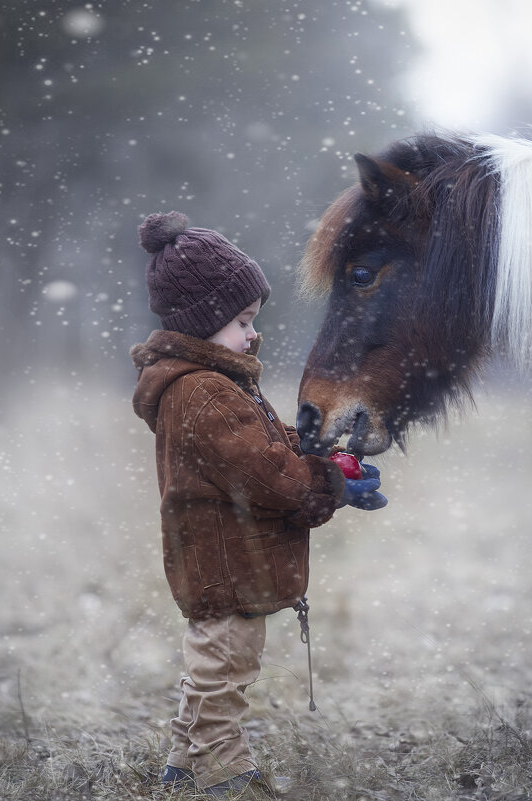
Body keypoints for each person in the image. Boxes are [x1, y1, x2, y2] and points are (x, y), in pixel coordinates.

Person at [130, 211, 386, 798]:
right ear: (203, 321)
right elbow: (271, 479)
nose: (252, 335)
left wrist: (325, 460)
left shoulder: (213, 384)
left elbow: (266, 450)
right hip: (227, 562)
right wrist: (328, 486)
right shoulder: (203, 391)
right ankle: (225, 771)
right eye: (242, 321)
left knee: (214, 667)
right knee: (226, 669)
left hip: (224, 557)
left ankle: (182, 766)